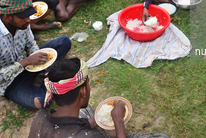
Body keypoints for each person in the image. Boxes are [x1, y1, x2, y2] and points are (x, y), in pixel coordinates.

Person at [28, 57, 170, 138]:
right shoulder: (88, 137)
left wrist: (96, 121)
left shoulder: (39, 117)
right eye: (88, 84)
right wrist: (118, 121)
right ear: (83, 91)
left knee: (85, 111)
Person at [0, 0, 71, 109]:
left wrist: (40, 61)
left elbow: (31, 44)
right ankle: (48, 79)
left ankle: (43, 75)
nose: (29, 20)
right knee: (41, 101)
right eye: (24, 17)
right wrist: (25, 62)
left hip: (29, 65)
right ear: (8, 17)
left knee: (64, 42)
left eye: (29, 16)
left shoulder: (23, 23)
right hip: (10, 81)